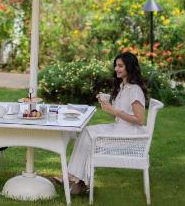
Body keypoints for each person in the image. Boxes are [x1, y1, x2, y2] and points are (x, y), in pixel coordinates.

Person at [61, 52, 149, 195]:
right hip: (119, 129)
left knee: (87, 138)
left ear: (129, 67)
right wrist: (106, 100)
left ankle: (74, 180)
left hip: (127, 136)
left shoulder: (135, 90)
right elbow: (122, 107)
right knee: (85, 132)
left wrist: (113, 111)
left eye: (120, 66)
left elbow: (140, 120)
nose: (116, 69)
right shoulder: (124, 85)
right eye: (116, 65)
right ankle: (75, 180)